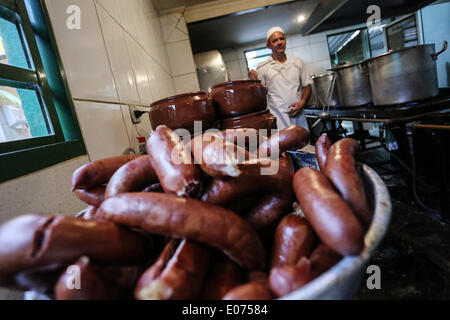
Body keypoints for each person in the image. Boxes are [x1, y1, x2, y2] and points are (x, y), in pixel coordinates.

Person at [248, 26, 312, 131]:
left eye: (282, 39)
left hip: (299, 116)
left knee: (303, 144)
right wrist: (254, 81)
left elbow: (307, 85)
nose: (279, 42)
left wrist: (303, 101)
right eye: (274, 40)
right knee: (284, 145)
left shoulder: (297, 62)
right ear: (268, 46)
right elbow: (259, 96)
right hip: (279, 119)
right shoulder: (263, 68)